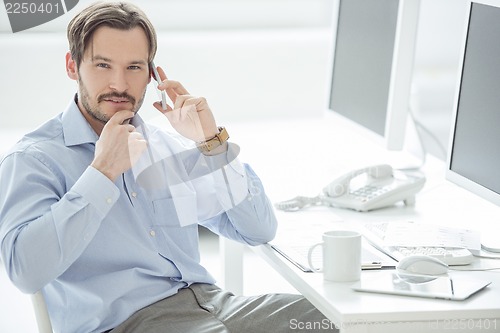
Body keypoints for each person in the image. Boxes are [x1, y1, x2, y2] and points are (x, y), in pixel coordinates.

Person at [0, 2, 337, 332]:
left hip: (215, 306)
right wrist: (102, 173)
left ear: (151, 75)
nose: (119, 84)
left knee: (338, 320)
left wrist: (211, 142)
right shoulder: (34, 160)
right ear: (73, 67)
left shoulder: (164, 147)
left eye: (133, 67)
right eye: (103, 65)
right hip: (128, 323)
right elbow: (26, 272)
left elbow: (258, 230)